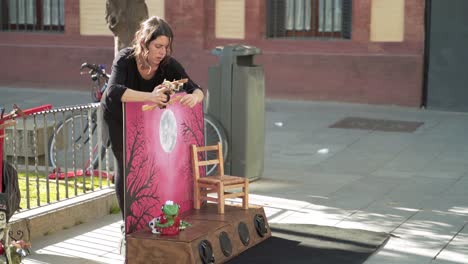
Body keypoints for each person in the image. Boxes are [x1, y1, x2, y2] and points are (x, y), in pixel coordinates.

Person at [101, 16, 205, 220]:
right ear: (143, 42)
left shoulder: (168, 64)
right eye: (158, 46)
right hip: (117, 118)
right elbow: (113, 91)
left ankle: (152, 216)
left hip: (145, 120)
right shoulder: (125, 59)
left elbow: (195, 88)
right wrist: (150, 96)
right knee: (127, 166)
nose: (162, 52)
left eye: (166, 47)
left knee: (150, 164)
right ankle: (128, 224)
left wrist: (195, 97)